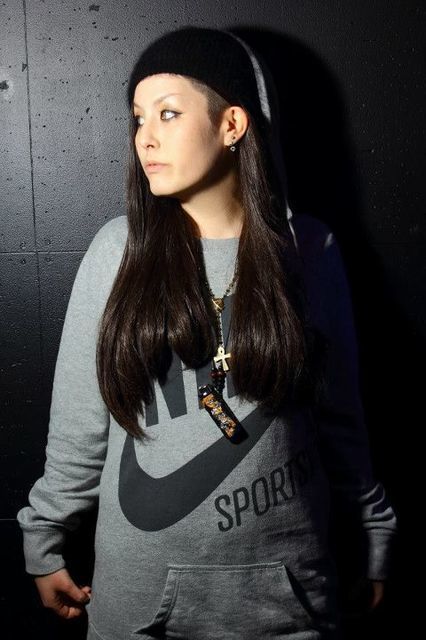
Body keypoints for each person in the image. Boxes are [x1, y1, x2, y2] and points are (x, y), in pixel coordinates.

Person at [17, 26, 397, 640]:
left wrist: (375, 533)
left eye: (168, 113)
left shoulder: (309, 250)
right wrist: (45, 537)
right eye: (138, 117)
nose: (145, 136)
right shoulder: (118, 250)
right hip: (141, 604)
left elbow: (341, 419)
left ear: (232, 124)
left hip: (291, 599)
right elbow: (79, 424)